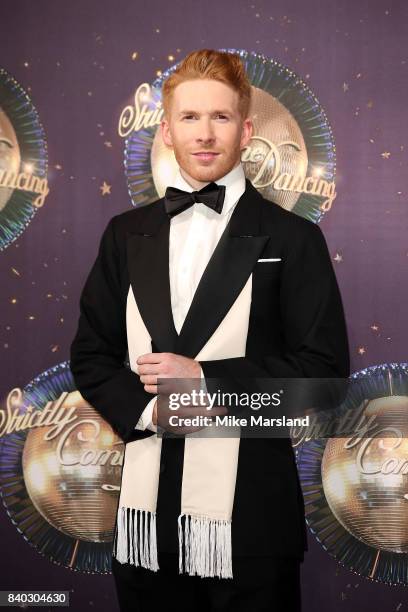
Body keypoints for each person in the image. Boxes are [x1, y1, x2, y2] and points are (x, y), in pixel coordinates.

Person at [70, 49, 350, 612]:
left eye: (220, 118)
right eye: (189, 118)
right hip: (146, 533)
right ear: (167, 130)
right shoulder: (124, 234)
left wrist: (206, 383)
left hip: (251, 531)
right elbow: (92, 353)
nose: (204, 134)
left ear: (246, 130)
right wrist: (152, 411)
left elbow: (324, 379)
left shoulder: (294, 239)